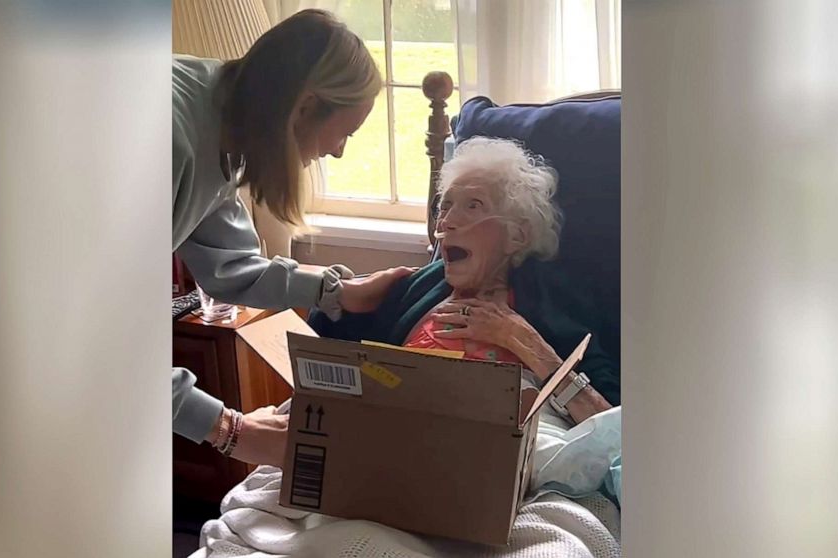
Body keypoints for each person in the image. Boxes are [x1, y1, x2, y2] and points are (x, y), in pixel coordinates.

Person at [171, 9, 412, 468]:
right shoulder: (168, 138)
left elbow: (229, 266)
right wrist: (229, 430)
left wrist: (336, 291)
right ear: (304, 107)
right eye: (345, 132)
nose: (338, 151)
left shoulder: (225, 128)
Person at [312, 137, 619, 423]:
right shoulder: (415, 289)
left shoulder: (555, 302)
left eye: (473, 205)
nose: (447, 221)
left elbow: (611, 430)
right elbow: (326, 353)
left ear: (517, 235)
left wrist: (525, 342)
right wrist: (346, 293)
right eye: (445, 206)